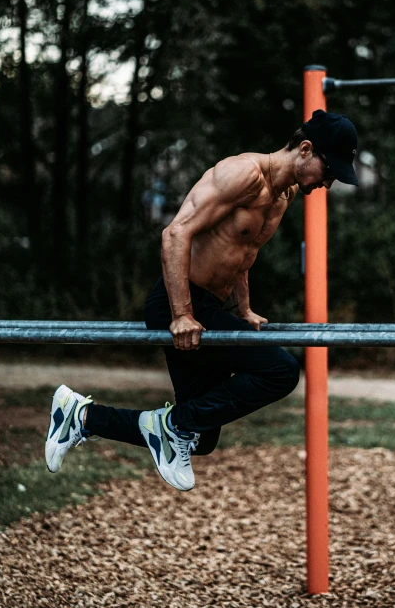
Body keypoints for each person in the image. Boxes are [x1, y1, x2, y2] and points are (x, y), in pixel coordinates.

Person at [45, 110, 359, 492]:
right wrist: (181, 313)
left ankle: (81, 417)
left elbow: (244, 251)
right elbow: (175, 233)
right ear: (306, 150)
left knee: (202, 435)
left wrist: (242, 309)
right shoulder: (243, 174)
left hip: (210, 308)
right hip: (180, 304)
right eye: (328, 171)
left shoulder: (284, 194)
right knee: (281, 371)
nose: (327, 182)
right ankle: (166, 427)